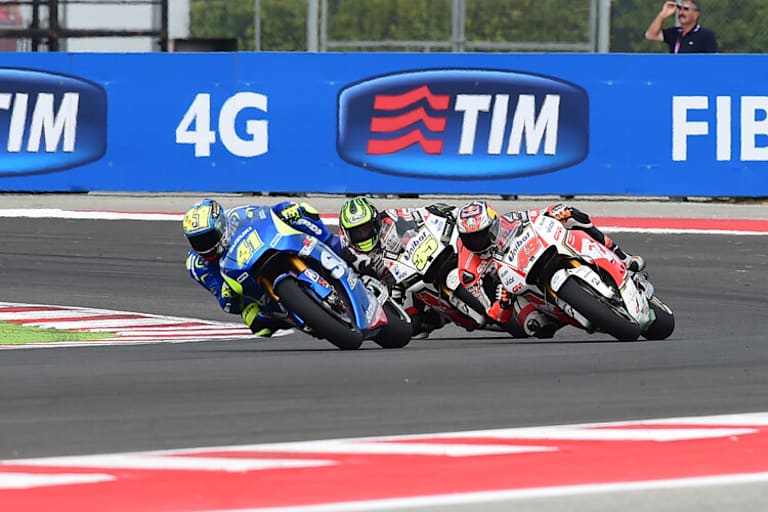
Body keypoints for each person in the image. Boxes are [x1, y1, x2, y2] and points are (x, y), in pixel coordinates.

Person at [455, 200, 646, 339]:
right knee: (533, 326)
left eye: (482, 234)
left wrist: (557, 211)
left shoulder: (508, 221)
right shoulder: (468, 272)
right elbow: (493, 313)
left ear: (494, 224)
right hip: (517, 289)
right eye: (471, 238)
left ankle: (623, 257)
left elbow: (536, 215)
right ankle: (566, 315)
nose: (478, 241)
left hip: (533, 256)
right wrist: (503, 303)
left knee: (574, 218)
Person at [182, 198, 342, 338]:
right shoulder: (197, 265)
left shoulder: (239, 215)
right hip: (247, 284)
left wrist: (286, 209)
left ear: (221, 226)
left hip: (267, 249)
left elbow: (268, 214)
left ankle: (333, 245)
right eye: (197, 241)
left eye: (208, 237)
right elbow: (227, 305)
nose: (205, 245)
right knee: (256, 322)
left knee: (303, 212)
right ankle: (296, 317)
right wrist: (227, 294)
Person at [338, 196, 461, 338]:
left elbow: (419, 214)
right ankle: (439, 317)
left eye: (366, 229)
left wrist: (440, 211)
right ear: (347, 234)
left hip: (416, 259)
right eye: (357, 233)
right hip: (392, 287)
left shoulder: (391, 218)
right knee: (414, 327)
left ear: (375, 222)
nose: (363, 235)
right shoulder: (348, 253)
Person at [645, 1, 717, 54]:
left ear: (696, 14)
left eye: (686, 9)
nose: (681, 12)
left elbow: (711, 61)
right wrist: (663, 15)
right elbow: (651, 35)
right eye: (679, 8)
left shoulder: (706, 35)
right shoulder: (675, 33)